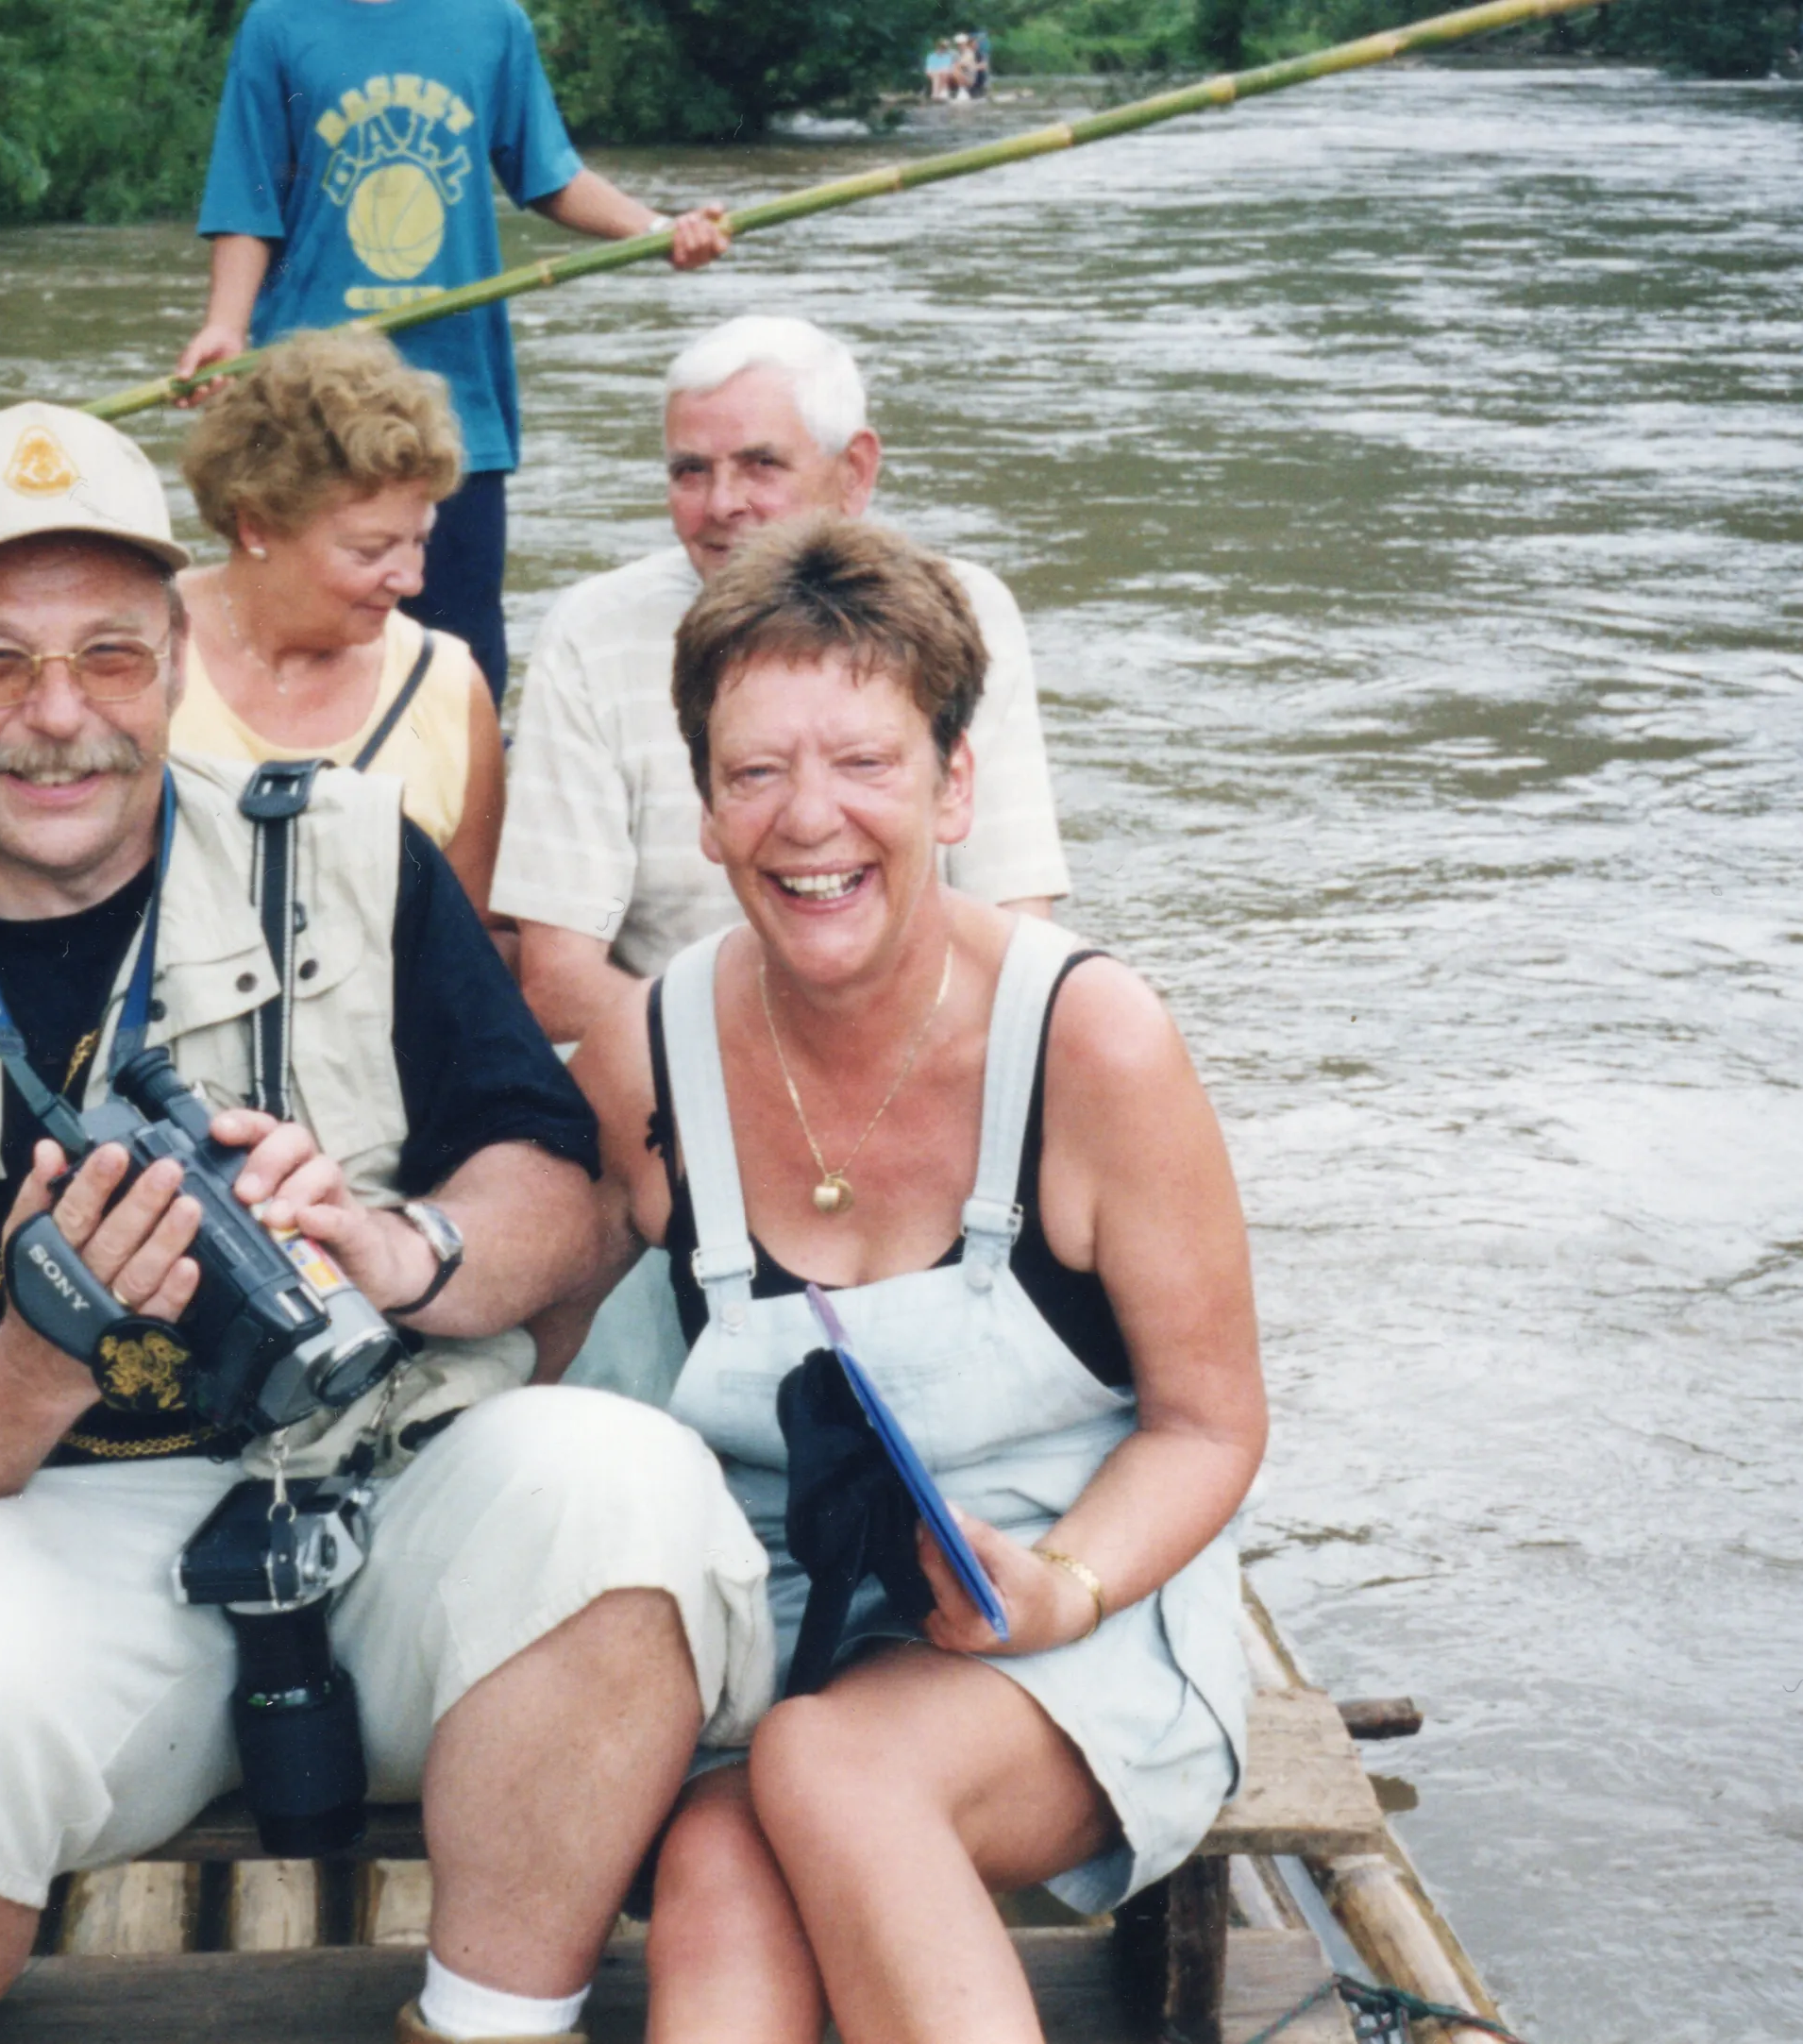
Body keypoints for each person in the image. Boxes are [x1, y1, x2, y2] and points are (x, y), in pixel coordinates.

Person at [0, 399, 772, 2044]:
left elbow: (555, 1188)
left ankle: (485, 2026)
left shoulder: (353, 854)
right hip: (53, 1553)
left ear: (178, 658)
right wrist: (41, 1348)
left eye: (111, 657)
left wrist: (400, 1246)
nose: (57, 721)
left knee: (619, 1481)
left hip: (390, 1480)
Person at [568, 517, 1267, 2044]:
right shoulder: (653, 1050)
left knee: (827, 1768)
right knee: (715, 1859)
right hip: (801, 1601)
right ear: (701, 809)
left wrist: (1064, 1582)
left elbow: (1211, 1427)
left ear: (959, 782)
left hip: (1073, 1600)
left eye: (866, 763)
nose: (807, 820)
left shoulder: (1095, 1045)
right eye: (754, 772)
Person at [493, 314, 1071, 1052]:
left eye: (760, 464)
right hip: (682, 1059)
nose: (722, 503)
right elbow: (560, 984)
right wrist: (771, 1081)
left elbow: (1017, 933)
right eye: (690, 470)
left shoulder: (966, 610)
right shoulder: (591, 632)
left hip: (923, 1054)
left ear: (855, 471)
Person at [176, 0, 734, 698]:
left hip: (457, 414)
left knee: (457, 667)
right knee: (305, 648)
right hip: (311, 413)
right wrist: (224, 326)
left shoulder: (494, 22)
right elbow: (247, 200)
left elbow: (551, 176)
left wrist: (658, 229)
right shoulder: (277, 25)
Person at [173, 327, 508, 913]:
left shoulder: (450, 685)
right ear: (255, 527)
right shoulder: (131, 649)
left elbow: (474, 948)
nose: (412, 580)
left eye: (419, 541)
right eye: (370, 552)